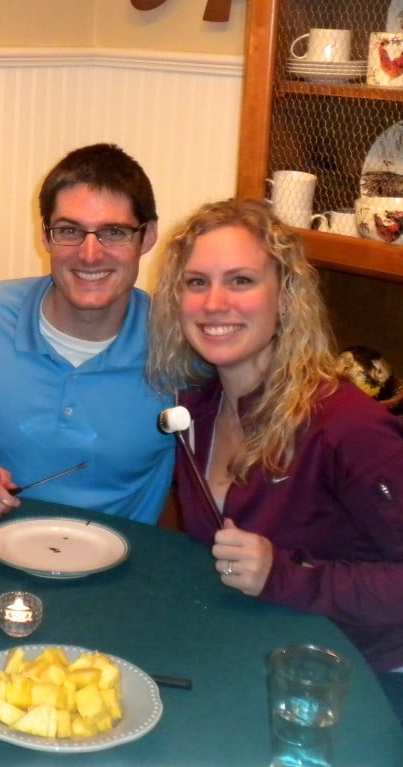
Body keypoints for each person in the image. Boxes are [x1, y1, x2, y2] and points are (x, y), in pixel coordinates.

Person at [146, 197, 403, 721]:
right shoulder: (195, 411)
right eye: (197, 283)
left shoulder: (346, 426)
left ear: (285, 296)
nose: (215, 303)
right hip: (253, 656)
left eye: (241, 280)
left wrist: (286, 575)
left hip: (357, 685)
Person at [0, 143, 175, 524]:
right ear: (46, 237)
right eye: (69, 230)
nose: (89, 254)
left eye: (114, 232)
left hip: (121, 574)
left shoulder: (179, 347)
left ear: (147, 237)